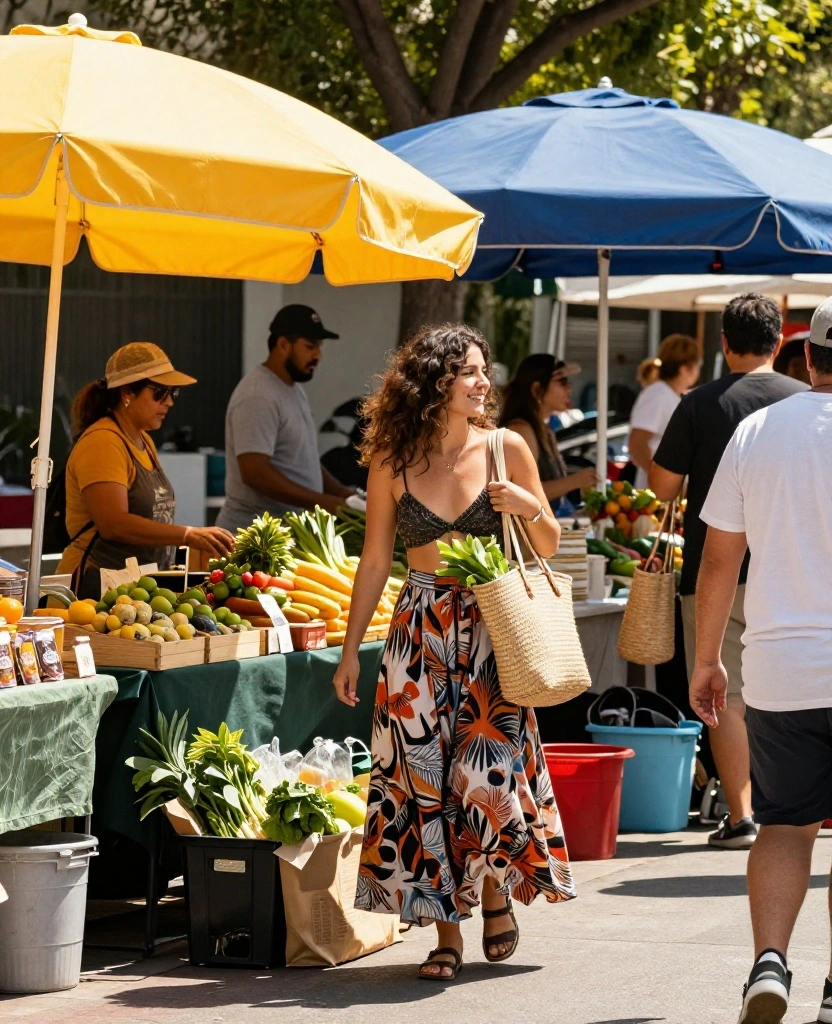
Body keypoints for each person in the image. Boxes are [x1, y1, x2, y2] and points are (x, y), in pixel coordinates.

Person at [332, 324, 575, 981]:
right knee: (423, 783)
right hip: (417, 635)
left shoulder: (506, 447)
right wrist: (352, 649)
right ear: (435, 380)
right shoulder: (393, 456)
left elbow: (549, 545)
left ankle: (496, 892)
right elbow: (376, 557)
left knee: (485, 774)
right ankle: (445, 931)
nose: (482, 382)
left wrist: (528, 506)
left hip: (491, 628)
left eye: (483, 370)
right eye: (469, 370)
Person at [690, 296, 832, 1024]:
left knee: (784, 824)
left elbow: (718, 564)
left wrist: (706, 660)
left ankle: (770, 962)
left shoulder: (758, 431)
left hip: (781, 666)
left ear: (809, 356)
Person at [649, 295, 807, 851]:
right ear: (781, 344)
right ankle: (796, 804)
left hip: (713, 568)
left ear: (723, 344)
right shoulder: (804, 402)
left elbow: (662, 489)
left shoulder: (698, 403)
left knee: (724, 692)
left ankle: (742, 813)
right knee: (794, 686)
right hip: (789, 568)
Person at [57, 342, 235, 597]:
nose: (169, 402)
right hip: (96, 588)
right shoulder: (103, 442)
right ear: (127, 392)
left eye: (173, 393)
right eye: (160, 392)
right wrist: (186, 534)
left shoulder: (144, 441)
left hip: (138, 587)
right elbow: (113, 524)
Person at [216, 304, 355, 533]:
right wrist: (320, 501)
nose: (317, 355)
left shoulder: (292, 388)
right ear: (283, 345)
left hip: (285, 534)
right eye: (310, 346)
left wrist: (341, 493)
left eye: (319, 347)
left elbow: (304, 459)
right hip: (253, 538)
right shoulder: (258, 395)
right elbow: (254, 471)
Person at [499, 354, 596, 511]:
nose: (569, 389)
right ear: (537, 389)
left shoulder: (544, 430)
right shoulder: (521, 431)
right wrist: (575, 481)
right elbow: (522, 492)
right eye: (562, 382)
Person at [628, 334, 701, 488]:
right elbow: (637, 444)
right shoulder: (658, 394)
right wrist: (658, 479)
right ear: (686, 367)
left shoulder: (670, 395)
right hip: (656, 496)